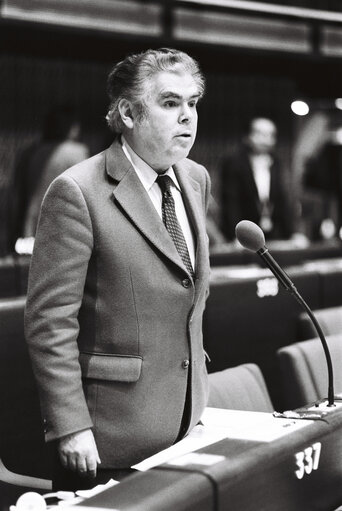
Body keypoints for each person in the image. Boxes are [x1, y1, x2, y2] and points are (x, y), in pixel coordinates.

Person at [24, 48, 211, 491]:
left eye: (194, 102)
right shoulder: (77, 191)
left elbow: (185, 289)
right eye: (170, 103)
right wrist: (70, 426)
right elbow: (50, 324)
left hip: (188, 421)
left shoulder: (196, 178)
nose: (188, 117)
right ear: (128, 112)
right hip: (110, 436)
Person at [9, 106, 89, 252]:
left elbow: (18, 194)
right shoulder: (77, 152)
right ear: (72, 127)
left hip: (30, 231)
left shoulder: (31, 152)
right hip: (63, 235)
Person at [220, 117, 301, 241]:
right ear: (247, 136)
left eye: (271, 135)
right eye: (260, 134)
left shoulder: (276, 162)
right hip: (243, 234)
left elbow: (282, 201)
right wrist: (235, 235)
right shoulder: (234, 163)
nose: (266, 140)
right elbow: (231, 202)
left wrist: (292, 234)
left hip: (272, 233)